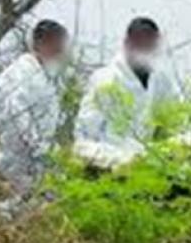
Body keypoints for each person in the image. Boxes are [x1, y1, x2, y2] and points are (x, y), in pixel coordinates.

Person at [0, 19, 70, 220]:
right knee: (25, 203)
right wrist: (35, 145)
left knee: (42, 204)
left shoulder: (45, 77)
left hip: (39, 156)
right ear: (42, 43)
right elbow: (16, 112)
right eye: (57, 46)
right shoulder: (19, 73)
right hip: (19, 154)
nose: (60, 52)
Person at [74, 17, 178, 151]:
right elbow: (86, 129)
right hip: (110, 158)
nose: (145, 50)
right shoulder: (106, 78)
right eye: (140, 44)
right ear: (127, 44)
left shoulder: (162, 81)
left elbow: (172, 122)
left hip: (148, 159)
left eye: (150, 45)